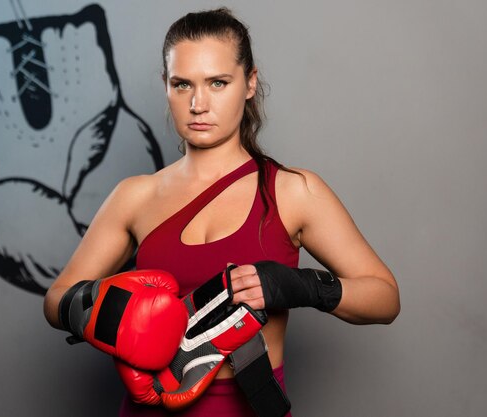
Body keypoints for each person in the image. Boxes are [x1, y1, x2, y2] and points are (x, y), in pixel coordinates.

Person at [44, 7, 400, 417]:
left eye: (217, 82)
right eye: (182, 85)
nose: (198, 104)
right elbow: (56, 299)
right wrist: (111, 316)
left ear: (249, 84)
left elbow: (384, 297)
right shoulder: (135, 196)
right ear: (166, 86)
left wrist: (298, 285)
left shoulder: (291, 191)